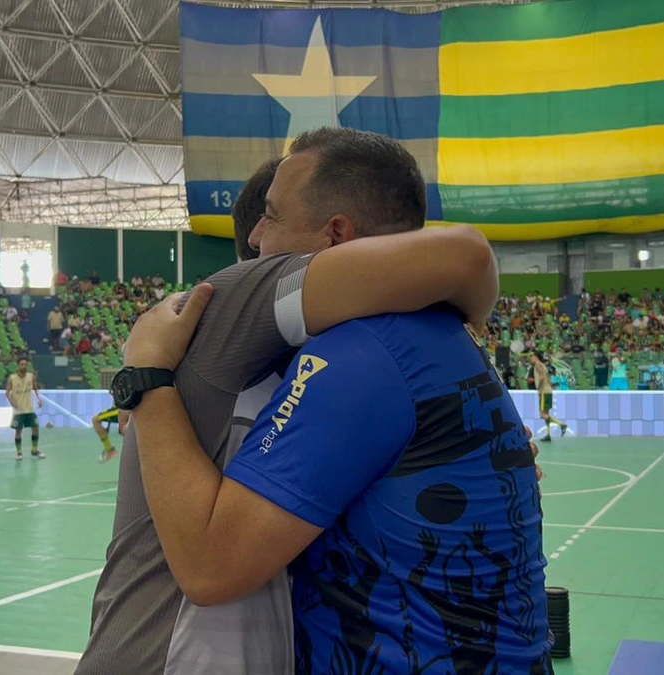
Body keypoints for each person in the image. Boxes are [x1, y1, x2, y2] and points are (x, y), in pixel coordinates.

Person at [116, 127, 551, 673]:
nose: (255, 240)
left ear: (336, 235)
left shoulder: (360, 352)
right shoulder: (440, 332)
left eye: (271, 216)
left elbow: (211, 567)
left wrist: (148, 384)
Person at [5, 358, 43, 460]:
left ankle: (34, 450)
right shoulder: (12, 378)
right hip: (19, 411)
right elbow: (7, 393)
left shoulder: (31, 377)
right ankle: (19, 452)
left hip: (29, 409)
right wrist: (12, 402)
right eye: (22, 364)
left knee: (36, 429)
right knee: (18, 431)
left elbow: (36, 389)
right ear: (18, 365)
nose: (24, 366)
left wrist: (39, 398)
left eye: (25, 364)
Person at [533, 351, 568, 441]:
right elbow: (548, 379)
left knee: (542, 414)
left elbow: (541, 377)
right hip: (548, 390)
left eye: (532, 357)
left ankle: (561, 425)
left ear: (536, 357)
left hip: (544, 391)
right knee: (546, 414)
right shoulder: (544, 366)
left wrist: (539, 387)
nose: (531, 358)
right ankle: (548, 435)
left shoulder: (538, 365)